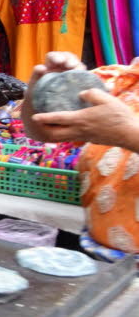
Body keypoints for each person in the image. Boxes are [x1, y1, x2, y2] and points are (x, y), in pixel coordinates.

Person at [22, 51, 139, 259]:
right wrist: (40, 90)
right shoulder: (122, 81)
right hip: (103, 254)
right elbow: (44, 130)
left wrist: (129, 133)